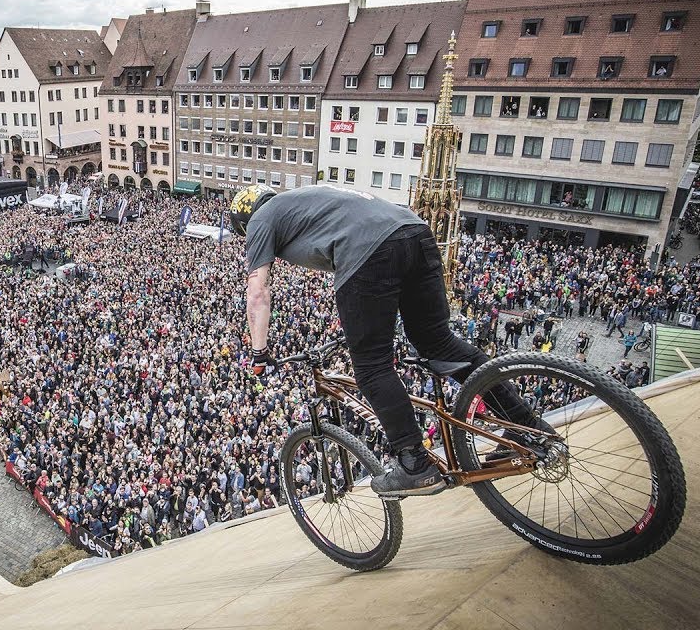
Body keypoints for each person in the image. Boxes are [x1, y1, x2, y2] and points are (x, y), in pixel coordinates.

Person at [229, 184, 546, 498]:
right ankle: (527, 425)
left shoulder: (261, 219)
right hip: (416, 233)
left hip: (370, 250)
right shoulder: (302, 199)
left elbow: (257, 291)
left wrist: (259, 352)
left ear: (245, 223)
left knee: (372, 366)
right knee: (439, 343)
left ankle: (414, 464)